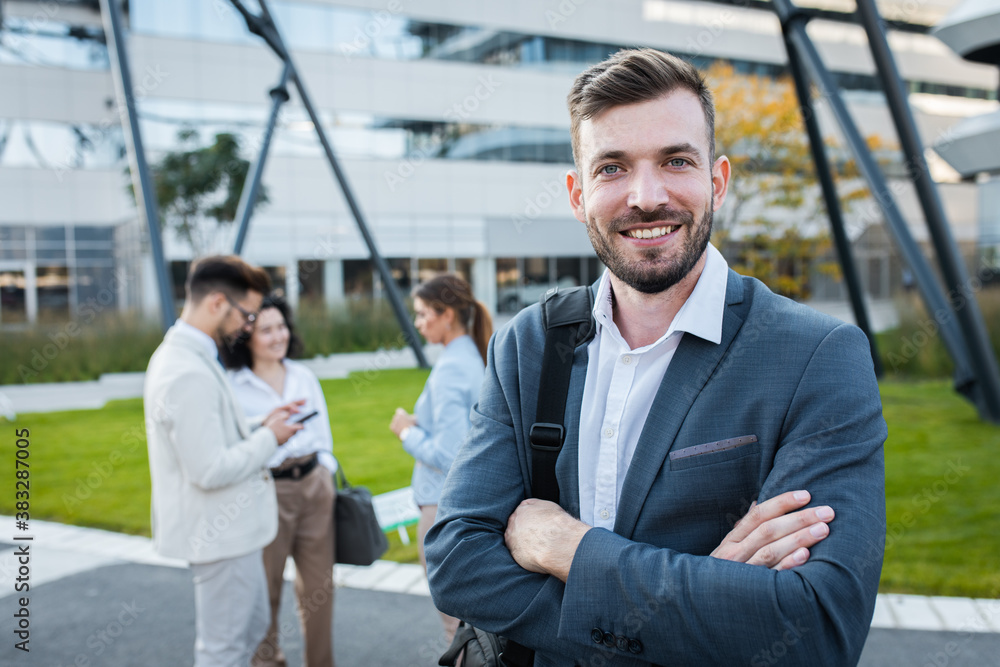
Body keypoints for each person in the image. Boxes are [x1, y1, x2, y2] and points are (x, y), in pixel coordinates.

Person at [425, 48, 886, 666]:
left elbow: (817, 627)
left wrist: (568, 549)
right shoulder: (529, 344)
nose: (646, 197)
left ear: (716, 180)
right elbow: (456, 565)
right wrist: (692, 612)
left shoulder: (818, 357)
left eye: (675, 160)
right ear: (577, 193)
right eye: (612, 167)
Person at [144, 256, 305, 667]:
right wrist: (271, 437)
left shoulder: (193, 358)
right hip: (220, 534)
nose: (248, 326)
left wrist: (261, 423)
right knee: (224, 652)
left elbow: (211, 428)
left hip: (233, 534)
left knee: (246, 636)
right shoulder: (185, 370)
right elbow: (209, 469)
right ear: (217, 302)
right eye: (248, 315)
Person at [224, 294, 337, 667]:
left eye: (281, 326)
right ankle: (267, 660)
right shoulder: (233, 386)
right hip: (264, 490)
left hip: (313, 488)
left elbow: (323, 436)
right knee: (264, 590)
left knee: (319, 590)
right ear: (247, 337)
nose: (278, 336)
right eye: (266, 329)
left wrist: (325, 472)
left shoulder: (303, 376)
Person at [388, 274, 493, 642]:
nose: (417, 323)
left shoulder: (451, 367)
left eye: (422, 314)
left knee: (455, 627)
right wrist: (424, 422)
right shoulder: (473, 355)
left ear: (446, 314)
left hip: (440, 506)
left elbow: (449, 453)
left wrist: (405, 431)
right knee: (470, 625)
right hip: (465, 504)